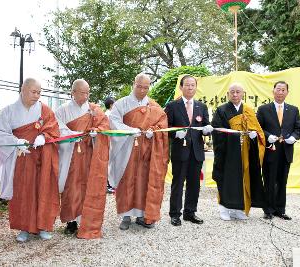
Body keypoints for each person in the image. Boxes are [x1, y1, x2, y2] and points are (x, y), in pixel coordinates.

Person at [0, 78, 60, 242]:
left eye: (39, 92)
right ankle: (24, 228)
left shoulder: (44, 109)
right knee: (23, 192)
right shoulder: (9, 111)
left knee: (44, 189)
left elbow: (53, 128)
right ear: (23, 90)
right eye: (33, 92)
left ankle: (43, 226)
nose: (37, 95)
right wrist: (16, 141)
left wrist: (44, 136)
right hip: (20, 157)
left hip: (42, 156)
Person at [108, 73, 169, 230]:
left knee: (144, 180)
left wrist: (153, 131)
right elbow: (113, 122)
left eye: (146, 88)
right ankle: (126, 216)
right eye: (139, 86)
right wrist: (130, 130)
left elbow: (162, 124)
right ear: (133, 84)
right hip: (126, 147)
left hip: (147, 149)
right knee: (126, 180)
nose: (142, 90)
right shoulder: (121, 104)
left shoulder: (154, 106)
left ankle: (142, 214)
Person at [56, 79, 110, 239]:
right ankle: (71, 221)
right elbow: (56, 127)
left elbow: (105, 125)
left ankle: (87, 219)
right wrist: (73, 134)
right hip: (70, 152)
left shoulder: (93, 109)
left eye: (88, 92)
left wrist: (96, 131)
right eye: (82, 92)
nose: (86, 96)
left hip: (89, 152)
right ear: (73, 92)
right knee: (71, 186)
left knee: (89, 185)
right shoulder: (62, 110)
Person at [211, 83, 265, 220]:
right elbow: (217, 131)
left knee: (243, 178)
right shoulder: (221, 110)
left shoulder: (248, 110)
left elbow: (257, 130)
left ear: (243, 94)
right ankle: (223, 208)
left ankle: (239, 209)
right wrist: (236, 138)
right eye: (232, 92)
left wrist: (253, 136)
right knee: (226, 178)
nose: (235, 95)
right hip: (227, 153)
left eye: (238, 92)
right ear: (228, 94)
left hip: (245, 152)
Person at [165, 75, 213, 226]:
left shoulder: (201, 106)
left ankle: (190, 212)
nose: (190, 88)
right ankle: (175, 214)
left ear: (195, 87)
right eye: (187, 85)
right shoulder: (173, 106)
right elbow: (165, 128)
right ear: (181, 87)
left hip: (197, 151)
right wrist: (174, 133)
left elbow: (206, 126)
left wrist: (207, 130)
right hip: (180, 150)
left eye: (193, 85)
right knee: (178, 182)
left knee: (194, 183)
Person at [257, 81, 300, 220]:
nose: (280, 92)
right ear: (273, 91)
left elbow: (298, 129)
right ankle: (268, 209)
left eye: (283, 90)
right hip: (270, 150)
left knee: (282, 181)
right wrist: (268, 136)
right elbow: (258, 128)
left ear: (287, 92)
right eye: (278, 89)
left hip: (286, 151)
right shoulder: (264, 109)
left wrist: (294, 137)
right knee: (269, 181)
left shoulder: (293, 110)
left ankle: (280, 210)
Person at [104, 96, 116, 193]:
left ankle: (110, 184)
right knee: (110, 163)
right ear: (111, 105)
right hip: (110, 140)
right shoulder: (109, 115)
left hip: (110, 140)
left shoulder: (107, 114)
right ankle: (109, 185)